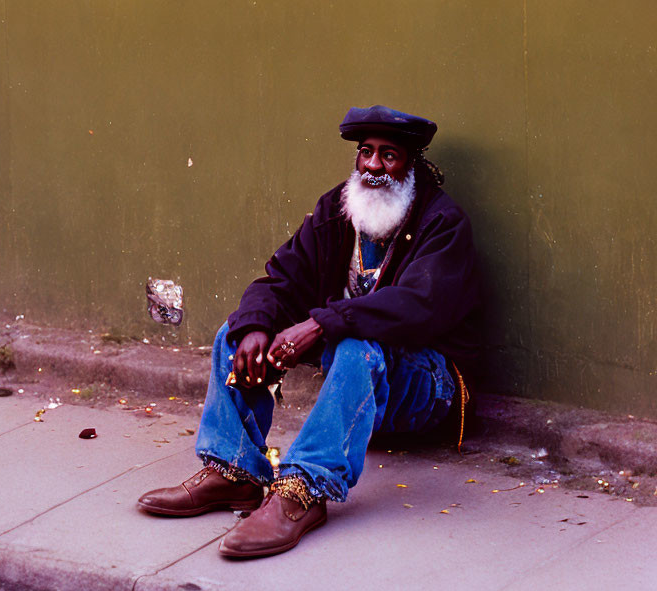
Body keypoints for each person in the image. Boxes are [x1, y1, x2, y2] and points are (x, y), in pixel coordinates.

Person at [138, 105, 481, 558]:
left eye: (389, 155)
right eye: (366, 153)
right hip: (358, 379)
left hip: (425, 386)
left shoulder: (442, 222)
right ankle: (234, 472)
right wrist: (258, 325)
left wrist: (320, 323)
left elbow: (417, 308)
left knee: (359, 346)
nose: (374, 166)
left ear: (411, 164)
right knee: (236, 332)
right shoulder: (337, 209)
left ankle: (304, 493)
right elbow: (280, 278)